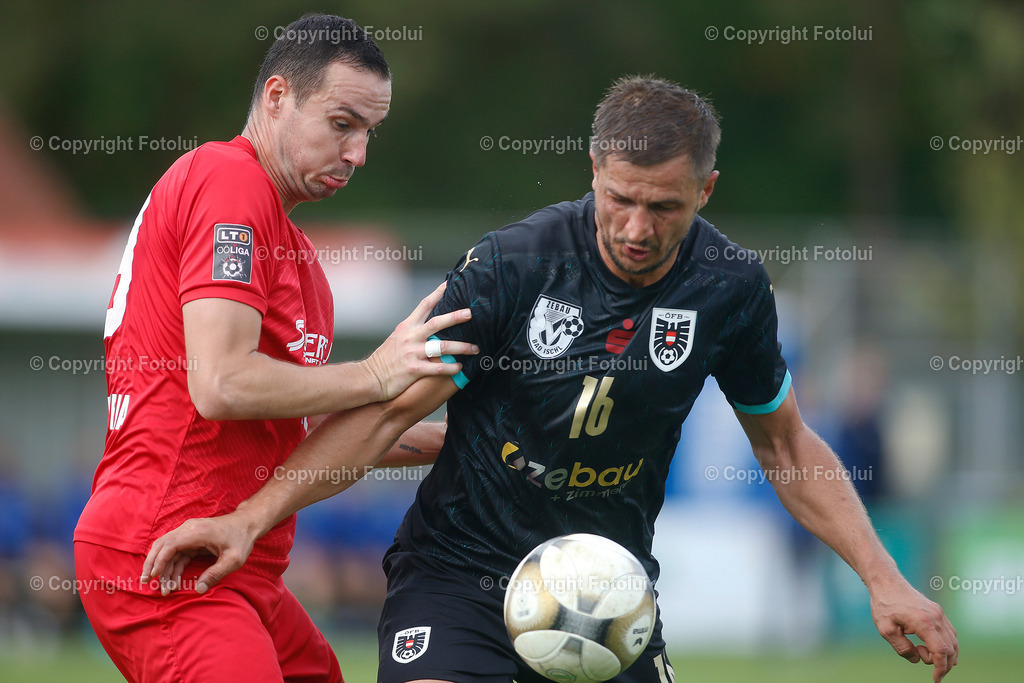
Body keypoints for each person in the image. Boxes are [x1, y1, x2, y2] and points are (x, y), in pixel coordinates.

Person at [142, 76, 959, 683]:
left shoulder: (729, 287)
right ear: (592, 169)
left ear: (706, 190)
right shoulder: (513, 265)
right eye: (620, 199)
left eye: (665, 208)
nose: (637, 229)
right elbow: (387, 414)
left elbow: (785, 447)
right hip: (458, 577)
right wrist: (250, 518)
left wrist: (884, 579)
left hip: (609, 587)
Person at [73, 13, 477, 683]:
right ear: (277, 97)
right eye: (342, 124)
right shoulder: (230, 180)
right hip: (167, 552)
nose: (358, 154)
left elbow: (294, 427)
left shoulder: (302, 261)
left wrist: (450, 439)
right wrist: (376, 375)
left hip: (235, 559)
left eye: (369, 133)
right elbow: (222, 383)